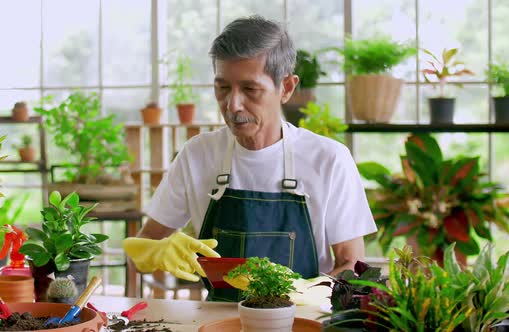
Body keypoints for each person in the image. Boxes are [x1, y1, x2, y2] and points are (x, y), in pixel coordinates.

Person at [123, 15, 377, 302]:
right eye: (222, 88)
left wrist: (308, 293)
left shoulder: (328, 159)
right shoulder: (197, 155)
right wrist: (158, 250)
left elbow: (353, 266)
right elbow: (137, 256)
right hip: (218, 321)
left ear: (287, 88)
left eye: (250, 89)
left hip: (301, 320)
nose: (233, 104)